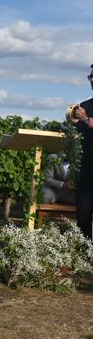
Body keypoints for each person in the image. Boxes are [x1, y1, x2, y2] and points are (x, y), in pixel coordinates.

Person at [72, 64, 93, 239]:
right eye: (90, 76)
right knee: (84, 215)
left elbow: (88, 122)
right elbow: (80, 130)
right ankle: (86, 258)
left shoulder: (86, 111)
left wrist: (86, 119)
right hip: (88, 167)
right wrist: (74, 119)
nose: (92, 80)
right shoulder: (85, 105)